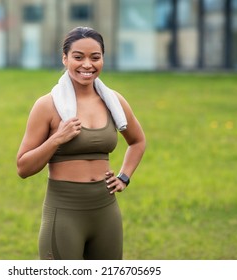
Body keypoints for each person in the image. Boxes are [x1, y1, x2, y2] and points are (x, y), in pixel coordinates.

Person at [16, 26, 146, 260]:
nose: (87, 64)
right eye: (78, 57)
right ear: (65, 59)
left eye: (95, 57)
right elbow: (23, 168)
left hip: (106, 210)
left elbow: (137, 141)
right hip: (64, 211)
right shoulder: (47, 105)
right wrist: (57, 138)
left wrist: (125, 177)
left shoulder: (113, 101)